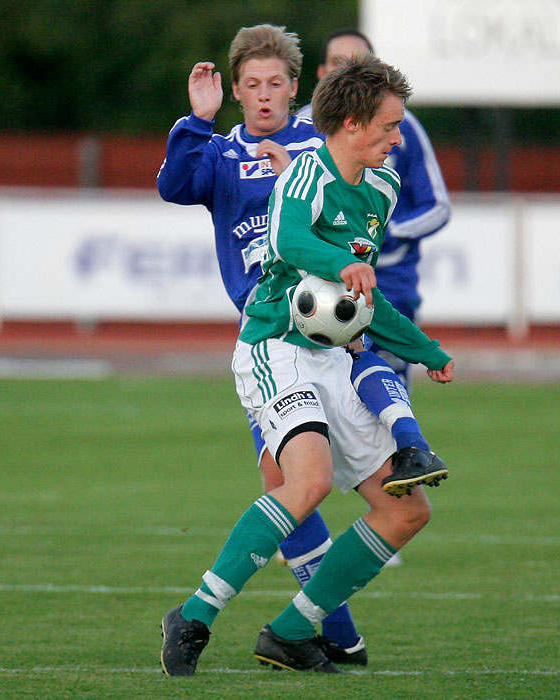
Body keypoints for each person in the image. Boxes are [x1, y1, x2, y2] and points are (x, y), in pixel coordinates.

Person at [159, 53, 454, 676]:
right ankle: (195, 614)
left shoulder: (383, 188)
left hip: (330, 356)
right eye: (389, 126)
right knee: (308, 480)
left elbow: (362, 299)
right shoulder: (305, 172)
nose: (397, 138)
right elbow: (290, 240)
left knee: (407, 510)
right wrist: (342, 262)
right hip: (273, 346)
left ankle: (292, 631)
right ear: (350, 123)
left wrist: (427, 351)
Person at [299, 28, 451, 389]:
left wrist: (389, 236)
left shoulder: (403, 127)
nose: (348, 72)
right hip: (319, 281)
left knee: (386, 385)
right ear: (322, 74)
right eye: (339, 64)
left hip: (390, 281)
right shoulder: (302, 127)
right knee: (325, 390)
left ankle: (401, 444)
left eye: (360, 64)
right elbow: (287, 220)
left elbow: (438, 205)